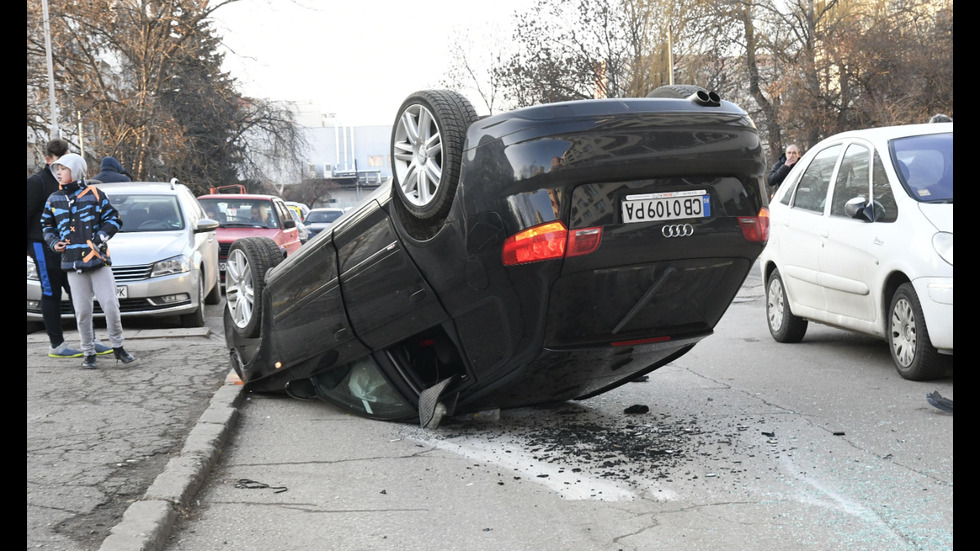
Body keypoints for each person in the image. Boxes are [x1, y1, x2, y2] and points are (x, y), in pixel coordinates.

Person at [40, 153, 137, 369]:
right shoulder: (53, 199)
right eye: (57, 169)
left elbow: (114, 219)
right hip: (72, 264)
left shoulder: (94, 194)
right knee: (82, 311)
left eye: (63, 169)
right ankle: (88, 353)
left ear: (75, 170)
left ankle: (118, 347)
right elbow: (46, 226)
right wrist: (54, 242)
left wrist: (99, 238)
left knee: (111, 305)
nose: (58, 172)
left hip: (97, 261)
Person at [26, 139, 109, 358]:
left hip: (69, 249)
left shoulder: (69, 184)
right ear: (48, 161)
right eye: (58, 164)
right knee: (51, 293)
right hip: (42, 247)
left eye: (65, 164)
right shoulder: (38, 183)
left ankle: (89, 340)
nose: (61, 169)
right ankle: (57, 344)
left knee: (78, 293)